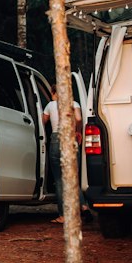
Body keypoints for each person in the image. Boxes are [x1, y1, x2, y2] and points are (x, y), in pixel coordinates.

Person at [42, 84, 83, 223]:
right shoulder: (74, 103)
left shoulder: (50, 105)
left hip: (56, 139)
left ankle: (63, 215)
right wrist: (78, 131)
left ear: (54, 93)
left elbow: (43, 121)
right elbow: (78, 118)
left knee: (59, 180)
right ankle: (83, 206)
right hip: (70, 138)